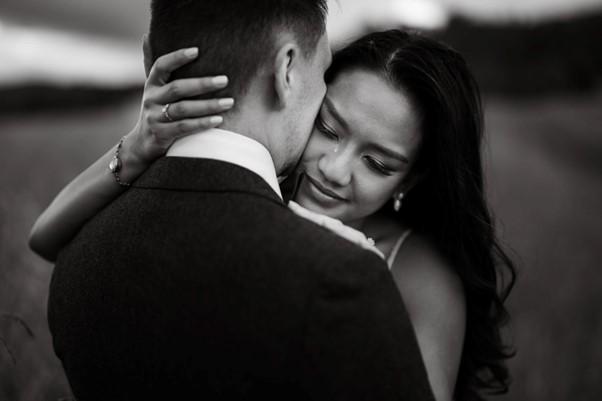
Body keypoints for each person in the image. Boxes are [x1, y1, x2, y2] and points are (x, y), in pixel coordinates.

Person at [37, 1, 437, 400]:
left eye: (379, 163)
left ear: (148, 56)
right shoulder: (344, 278)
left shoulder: (78, 259)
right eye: (328, 124)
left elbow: (43, 240)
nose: (334, 170)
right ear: (287, 71)